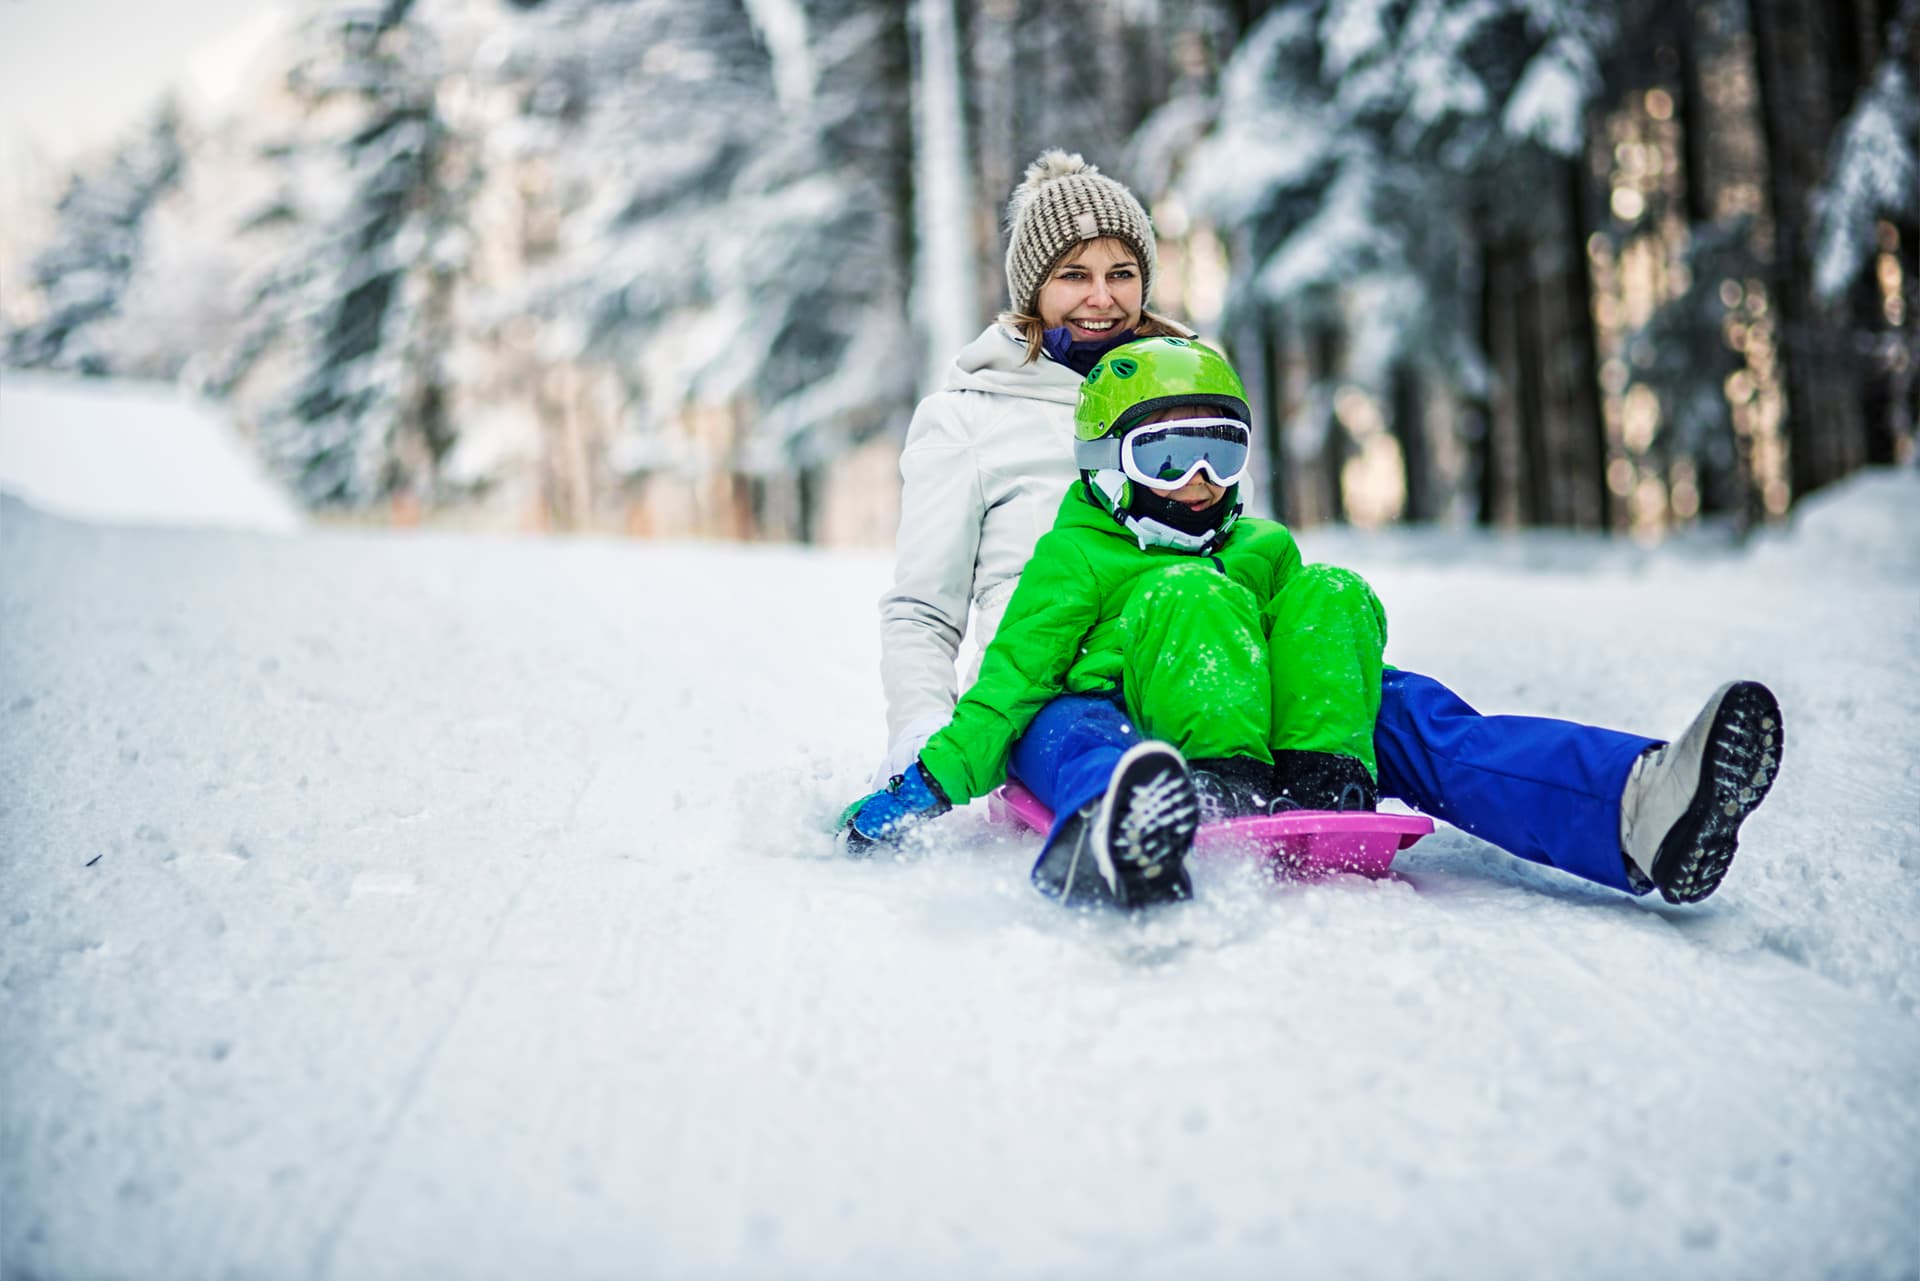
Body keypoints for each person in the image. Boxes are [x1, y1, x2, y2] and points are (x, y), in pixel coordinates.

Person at [856, 149, 1782, 908]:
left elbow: (1233, 547)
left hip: (1209, 649)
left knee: (1395, 705)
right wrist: (925, 744)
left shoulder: (1188, 386)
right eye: (1073, 275)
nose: (1101, 296)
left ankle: (1636, 806)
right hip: (1056, 680)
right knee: (1086, 739)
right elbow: (922, 610)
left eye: (1122, 271)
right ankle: (1122, 825)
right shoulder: (968, 414)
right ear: (1032, 288)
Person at [844, 337, 1389, 908]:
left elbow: (1306, 652)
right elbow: (1014, 679)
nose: (1199, 480)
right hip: (1104, 711)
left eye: (1221, 455)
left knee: (1333, 593)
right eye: (1168, 458)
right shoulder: (1076, 556)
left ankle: (1323, 783)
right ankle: (1118, 820)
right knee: (1081, 736)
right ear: (1109, 462)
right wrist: (928, 780)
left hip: (1238, 732)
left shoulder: (1264, 546)